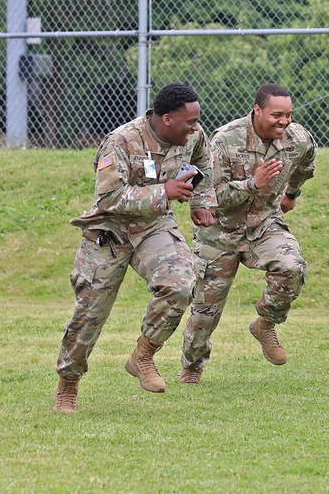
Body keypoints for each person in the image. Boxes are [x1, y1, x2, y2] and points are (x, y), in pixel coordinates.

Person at [54, 83, 214, 413]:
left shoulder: (192, 136)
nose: (196, 127)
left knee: (181, 283)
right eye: (190, 121)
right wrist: (164, 191)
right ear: (167, 119)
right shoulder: (122, 141)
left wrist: (199, 201)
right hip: (109, 232)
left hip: (153, 226)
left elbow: (204, 162)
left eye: (198, 121)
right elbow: (109, 198)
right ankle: (68, 384)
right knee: (88, 316)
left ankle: (143, 356)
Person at [179, 83, 316, 384]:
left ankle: (265, 324)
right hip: (220, 231)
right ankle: (191, 368)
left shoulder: (298, 138)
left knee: (291, 267)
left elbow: (305, 164)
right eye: (276, 115)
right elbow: (208, 194)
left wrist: (291, 194)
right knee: (205, 313)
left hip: (264, 224)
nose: (284, 122)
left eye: (289, 115)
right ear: (257, 110)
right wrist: (252, 185)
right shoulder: (225, 140)